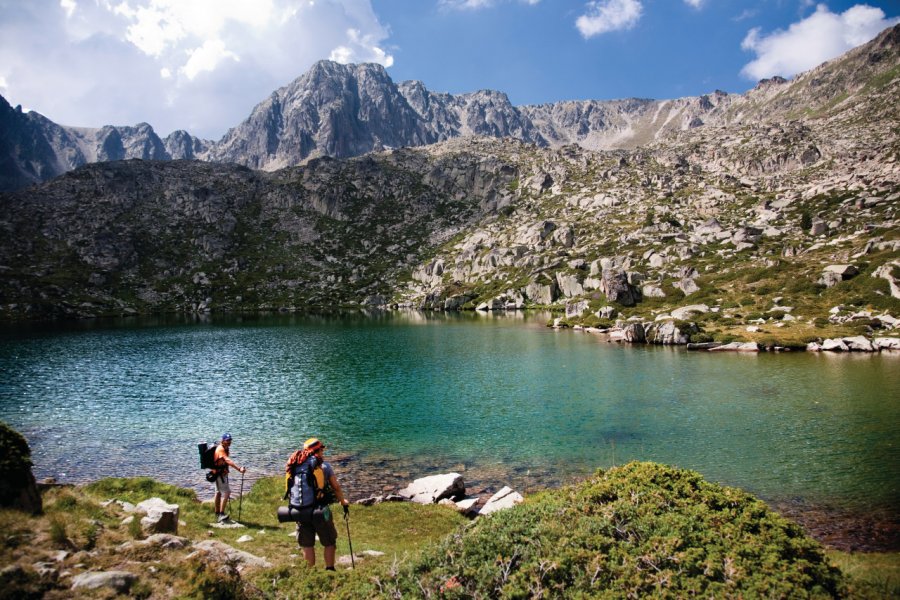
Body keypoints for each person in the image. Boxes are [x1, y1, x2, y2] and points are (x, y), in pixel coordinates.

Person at [285, 437, 350, 570]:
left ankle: (310, 573)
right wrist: (343, 502)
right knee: (329, 542)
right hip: (319, 510)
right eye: (321, 449)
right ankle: (330, 570)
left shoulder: (294, 466)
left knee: (307, 544)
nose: (323, 452)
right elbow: (336, 487)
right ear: (318, 451)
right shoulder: (324, 466)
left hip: (299, 510)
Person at [213, 432, 246, 522]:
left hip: (218, 473)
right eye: (227, 441)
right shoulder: (220, 449)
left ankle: (217, 513)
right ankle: (221, 514)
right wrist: (239, 469)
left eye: (230, 440)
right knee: (227, 492)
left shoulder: (225, 448)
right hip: (219, 474)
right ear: (223, 441)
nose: (229, 442)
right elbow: (228, 461)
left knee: (218, 493)